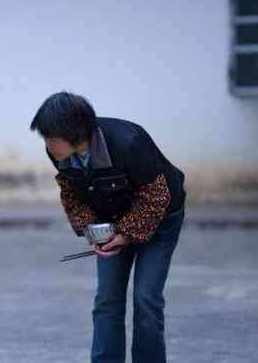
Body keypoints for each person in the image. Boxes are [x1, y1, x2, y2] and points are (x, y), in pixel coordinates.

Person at [30, 91, 186, 363]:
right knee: (107, 301)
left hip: (160, 219)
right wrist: (93, 230)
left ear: (76, 135)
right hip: (112, 222)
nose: (47, 144)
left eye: (51, 138)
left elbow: (156, 197)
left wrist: (125, 234)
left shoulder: (129, 142)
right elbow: (71, 193)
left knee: (146, 299)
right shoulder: (57, 152)